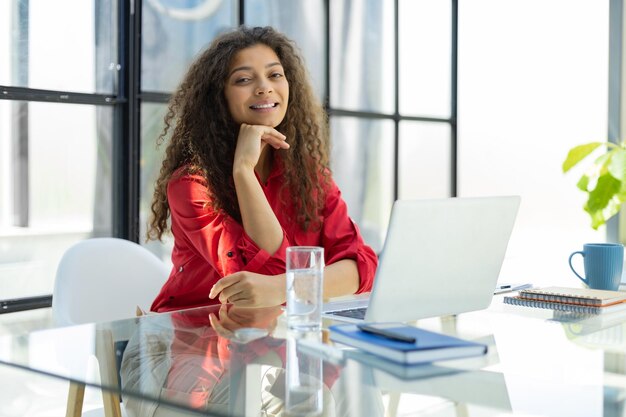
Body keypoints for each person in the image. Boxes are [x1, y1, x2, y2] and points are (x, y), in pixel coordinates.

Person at [147, 26, 378, 313]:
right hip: (195, 337)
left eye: (275, 75)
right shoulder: (191, 184)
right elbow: (256, 279)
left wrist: (280, 288)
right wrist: (243, 170)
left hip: (273, 337)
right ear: (219, 97)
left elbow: (362, 267)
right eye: (243, 79)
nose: (264, 87)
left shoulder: (308, 175)